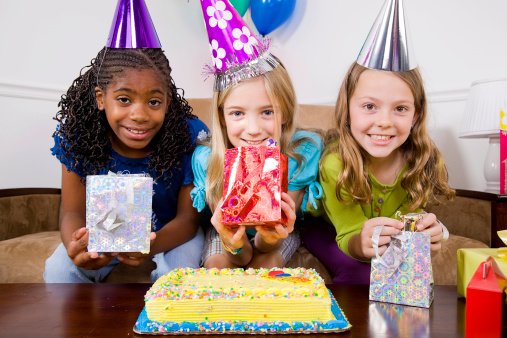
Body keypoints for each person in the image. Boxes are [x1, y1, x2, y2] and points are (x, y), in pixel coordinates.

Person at [44, 0, 209, 283]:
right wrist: (77, 245)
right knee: (60, 269)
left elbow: (188, 220)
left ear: (168, 103)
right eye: (124, 99)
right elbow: (71, 210)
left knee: (179, 274)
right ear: (100, 99)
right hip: (105, 232)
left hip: (170, 234)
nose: (139, 115)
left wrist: (148, 245)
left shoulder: (189, 136)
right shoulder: (78, 137)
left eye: (154, 102)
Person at [303, 0, 454, 284]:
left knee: (404, 275)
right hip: (329, 228)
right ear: (347, 109)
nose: (384, 121)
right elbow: (348, 234)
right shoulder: (336, 163)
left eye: (400, 109)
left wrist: (433, 232)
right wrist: (363, 244)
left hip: (382, 235)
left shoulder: (420, 159)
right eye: (370, 106)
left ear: (415, 115)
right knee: (361, 273)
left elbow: (412, 217)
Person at [192, 0, 323, 269]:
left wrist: (270, 235)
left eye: (267, 112)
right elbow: (237, 251)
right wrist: (234, 242)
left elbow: (267, 244)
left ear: (284, 113)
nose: (253, 129)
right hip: (228, 237)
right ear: (222, 117)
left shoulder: (301, 153)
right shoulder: (208, 159)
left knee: (265, 268)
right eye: (238, 113)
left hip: (276, 234)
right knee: (217, 268)